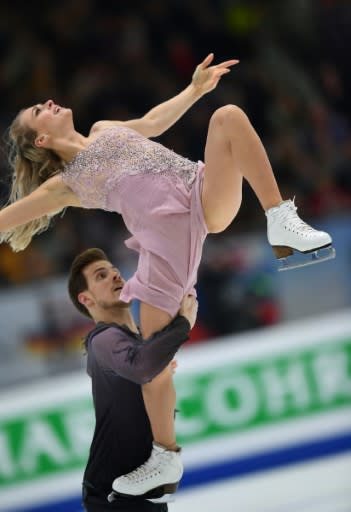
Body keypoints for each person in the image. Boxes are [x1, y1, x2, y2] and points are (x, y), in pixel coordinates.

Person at [0, 53, 333, 495]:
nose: (47, 101)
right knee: (154, 365)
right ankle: (165, 458)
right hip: (165, 244)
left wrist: (195, 89)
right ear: (41, 139)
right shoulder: (66, 185)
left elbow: (155, 122)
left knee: (228, 116)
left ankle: (281, 220)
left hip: (201, 193)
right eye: (38, 111)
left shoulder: (104, 130)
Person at [68, 247, 198, 511]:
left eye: (115, 271)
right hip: (112, 492)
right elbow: (142, 368)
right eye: (101, 276)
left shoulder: (135, 340)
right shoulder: (102, 339)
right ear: (86, 299)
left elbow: (144, 369)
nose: (115, 276)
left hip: (144, 483)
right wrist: (183, 323)